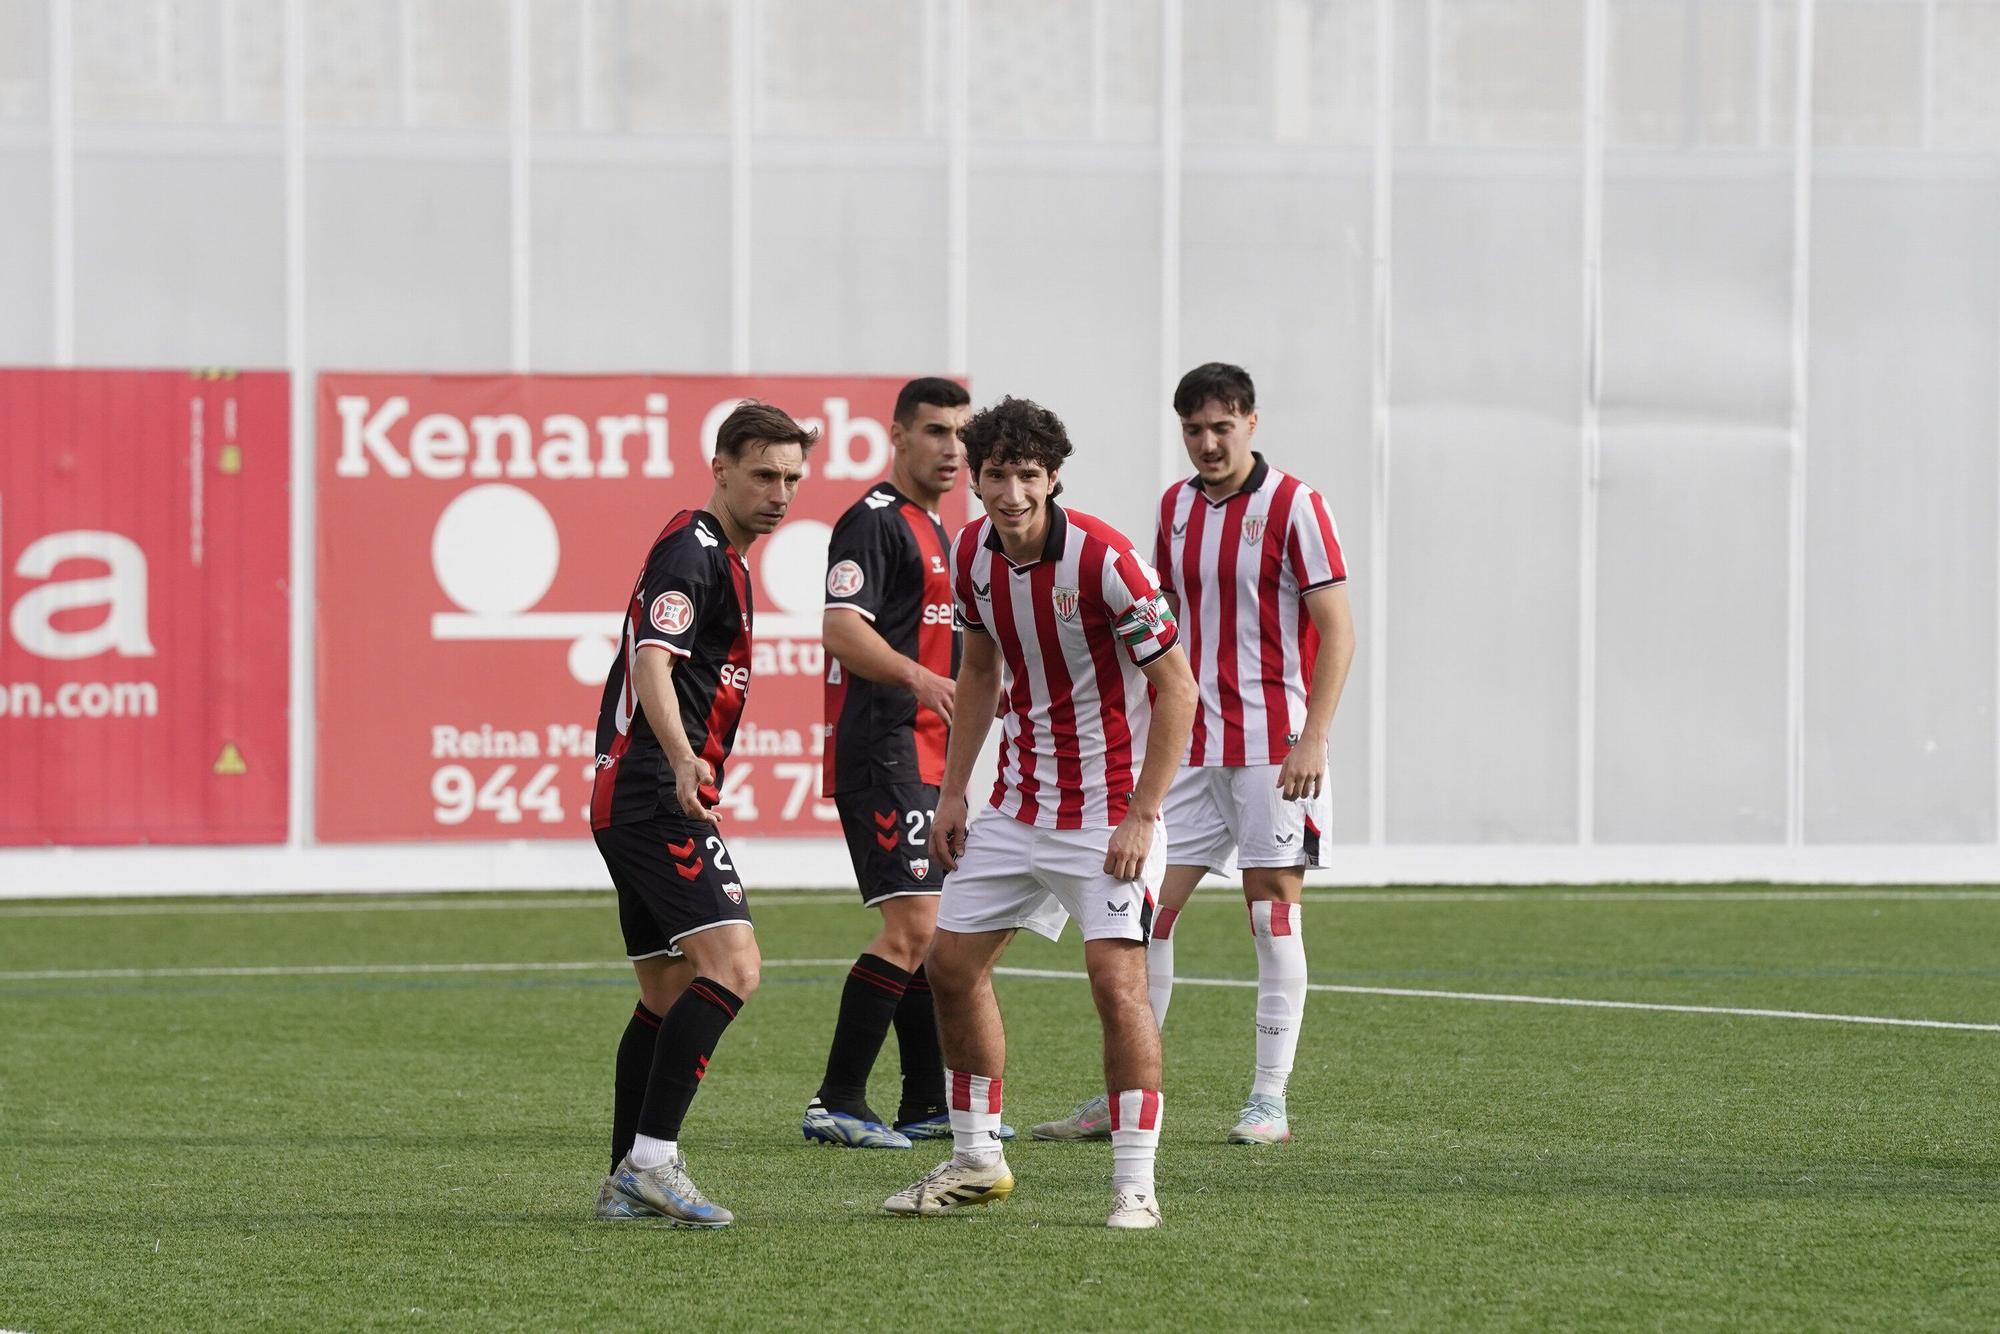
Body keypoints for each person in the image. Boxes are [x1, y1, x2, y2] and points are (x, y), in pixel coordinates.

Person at [882, 396, 1197, 1230]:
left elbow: (1178, 690)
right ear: (976, 481)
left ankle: (1136, 1184)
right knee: (948, 967)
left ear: (1054, 478)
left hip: (1109, 815)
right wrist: (955, 792)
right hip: (1018, 806)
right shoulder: (974, 552)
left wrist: (1143, 814)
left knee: (1114, 981)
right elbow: (979, 672)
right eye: (997, 475)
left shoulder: (1108, 561)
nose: (1012, 493)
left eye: (1029, 476)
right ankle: (978, 1159)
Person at [1030, 362, 1353, 1147]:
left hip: (1273, 750)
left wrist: (1314, 736)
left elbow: (1338, 628)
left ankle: (1268, 1100)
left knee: (1272, 920)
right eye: (1194, 430)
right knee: (1144, 916)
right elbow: (1158, 619)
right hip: (1188, 750)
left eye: (1222, 427)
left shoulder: (1297, 506)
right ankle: (1124, 1094)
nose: (1208, 443)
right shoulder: (1174, 508)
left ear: (1251, 422)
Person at [589, 401, 818, 1226]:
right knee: (734, 968)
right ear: (719, 469)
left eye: (792, 478)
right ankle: (652, 1162)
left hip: (627, 795)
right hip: (657, 791)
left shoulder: (719, 554)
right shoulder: (695, 548)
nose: (780, 493)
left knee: (666, 989)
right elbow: (654, 658)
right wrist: (685, 757)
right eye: (762, 474)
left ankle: (625, 1175)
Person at [805, 377, 1010, 1148]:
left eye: (963, 433)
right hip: (883, 747)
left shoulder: (939, 530)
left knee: (940, 929)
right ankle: (837, 1100)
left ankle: (927, 1099)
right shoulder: (874, 522)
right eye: (935, 431)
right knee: (913, 927)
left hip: (928, 758)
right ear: (896, 436)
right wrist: (923, 679)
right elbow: (840, 629)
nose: (953, 447)